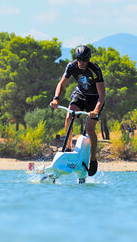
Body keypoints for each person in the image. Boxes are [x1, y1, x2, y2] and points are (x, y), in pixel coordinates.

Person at [49, 45, 105, 176]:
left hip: (94, 98)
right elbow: (61, 84)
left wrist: (96, 110)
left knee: (90, 129)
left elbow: (102, 95)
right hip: (80, 94)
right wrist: (56, 99)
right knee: (69, 116)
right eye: (79, 60)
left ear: (88, 60)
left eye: (84, 60)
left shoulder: (95, 70)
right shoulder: (71, 66)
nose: (81, 63)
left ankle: (93, 159)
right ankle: (68, 148)